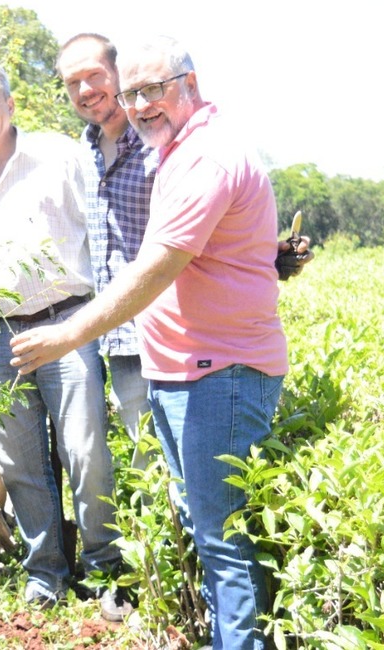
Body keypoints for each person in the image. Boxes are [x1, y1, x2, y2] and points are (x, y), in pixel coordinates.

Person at [10, 35, 288, 649]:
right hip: (185, 368)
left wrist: (67, 333)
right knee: (203, 520)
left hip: (221, 372)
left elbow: (158, 264)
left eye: (150, 90)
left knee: (221, 531)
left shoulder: (203, 157)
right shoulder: (175, 151)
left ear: (189, 85)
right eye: (133, 94)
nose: (139, 105)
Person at [0, 59, 131, 621]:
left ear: (10, 105)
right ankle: (46, 575)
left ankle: (106, 570)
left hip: (67, 323)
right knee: (20, 463)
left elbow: (108, 227)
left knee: (85, 452)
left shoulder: (60, 156)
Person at [55, 33, 311, 478]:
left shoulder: (167, 141)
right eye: (72, 82)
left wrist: (272, 252)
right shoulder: (82, 152)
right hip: (117, 333)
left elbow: (216, 222)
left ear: (118, 74)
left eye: (94, 75)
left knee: (184, 479)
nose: (85, 90)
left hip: (185, 340)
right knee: (151, 469)